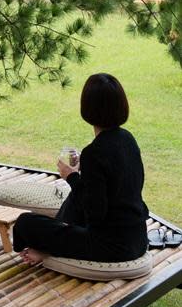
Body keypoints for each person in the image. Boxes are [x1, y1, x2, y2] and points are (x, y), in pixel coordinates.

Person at [13, 73, 149, 265]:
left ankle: (44, 249)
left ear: (88, 107)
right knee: (74, 199)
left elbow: (95, 215)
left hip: (110, 246)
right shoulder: (128, 139)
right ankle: (51, 245)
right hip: (138, 238)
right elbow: (117, 186)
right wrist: (85, 175)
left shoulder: (94, 152)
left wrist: (72, 177)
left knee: (25, 223)